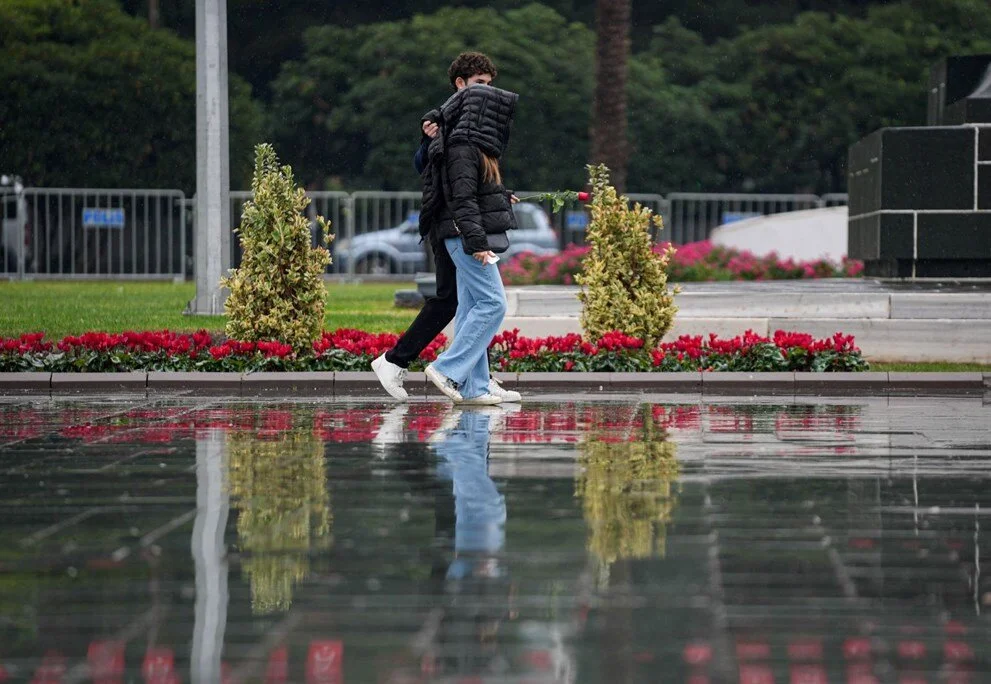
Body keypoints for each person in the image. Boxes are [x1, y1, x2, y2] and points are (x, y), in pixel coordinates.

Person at [372, 52, 520, 405]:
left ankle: (475, 383)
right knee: (470, 302)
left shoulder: (470, 128)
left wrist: (499, 195)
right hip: (453, 225)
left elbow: (471, 184)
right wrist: (428, 137)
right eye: (480, 84)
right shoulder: (448, 126)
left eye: (489, 84)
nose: (487, 92)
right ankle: (430, 367)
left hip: (457, 223)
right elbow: (436, 173)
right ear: (460, 84)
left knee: (463, 302)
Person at [417, 79, 519, 405]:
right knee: (493, 304)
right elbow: (461, 200)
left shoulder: (470, 145)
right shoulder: (463, 146)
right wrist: (476, 242)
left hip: (462, 236)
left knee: (471, 306)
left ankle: (474, 388)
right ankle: (447, 369)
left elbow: (471, 191)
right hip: (464, 239)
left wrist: (501, 196)